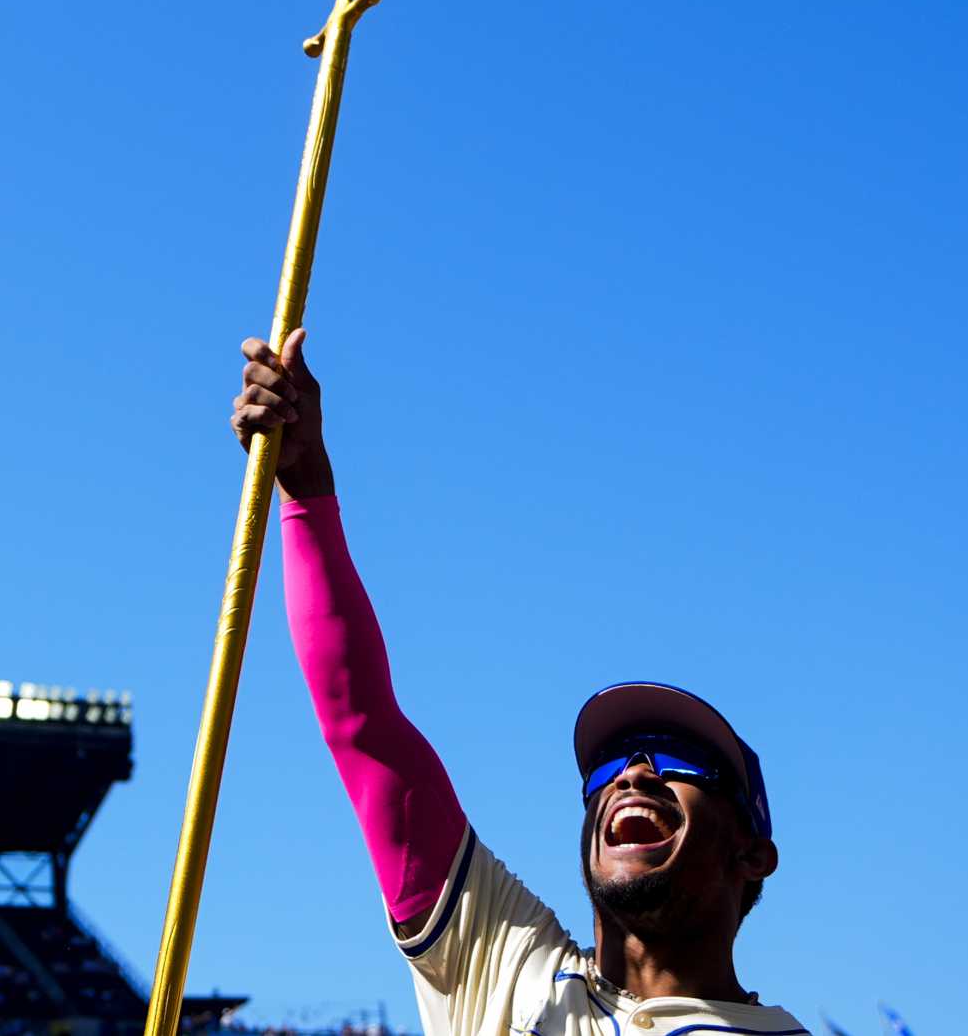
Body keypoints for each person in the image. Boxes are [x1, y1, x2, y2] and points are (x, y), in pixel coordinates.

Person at [232, 331, 807, 1036]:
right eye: (606, 767)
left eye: (678, 758)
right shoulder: (509, 968)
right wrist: (305, 487)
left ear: (753, 852)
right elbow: (365, 726)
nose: (633, 771)